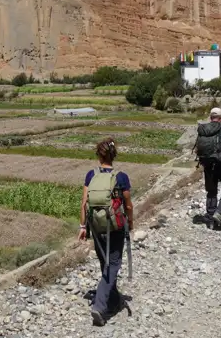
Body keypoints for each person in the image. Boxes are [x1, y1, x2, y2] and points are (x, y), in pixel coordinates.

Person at [79, 139, 133, 327]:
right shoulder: (121, 177)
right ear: (114, 155)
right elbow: (128, 205)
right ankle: (100, 307)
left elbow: (84, 202)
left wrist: (83, 227)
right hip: (115, 228)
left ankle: (114, 301)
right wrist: (130, 224)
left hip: (96, 227)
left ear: (98, 155)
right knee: (113, 265)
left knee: (106, 265)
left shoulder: (90, 175)